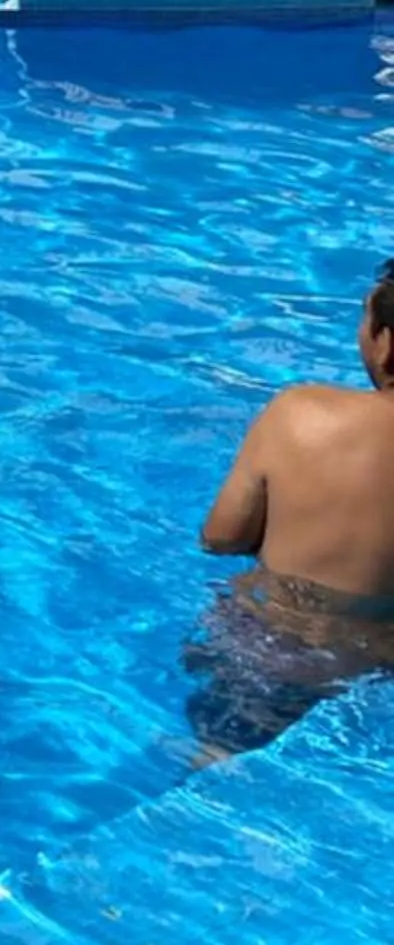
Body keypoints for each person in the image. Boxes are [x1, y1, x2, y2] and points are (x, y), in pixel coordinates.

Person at [189, 262, 394, 751]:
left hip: (270, 642)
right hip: (377, 662)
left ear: (386, 344)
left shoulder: (299, 413)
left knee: (217, 752)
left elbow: (221, 538)